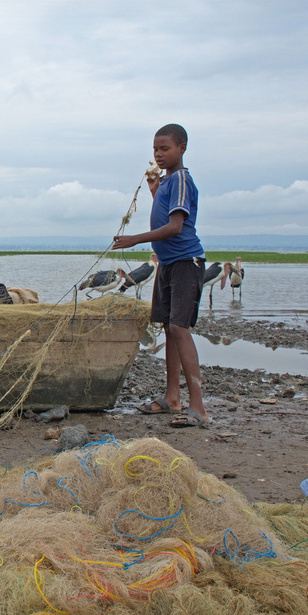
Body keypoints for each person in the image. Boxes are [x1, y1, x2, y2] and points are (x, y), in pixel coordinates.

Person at [112, 123, 208, 425]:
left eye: (165, 149)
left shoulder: (180, 179)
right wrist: (154, 188)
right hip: (168, 264)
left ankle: (199, 408)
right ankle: (172, 399)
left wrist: (134, 239)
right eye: (155, 150)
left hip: (185, 262)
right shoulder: (167, 183)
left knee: (180, 329)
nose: (159, 154)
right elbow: (163, 208)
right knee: (168, 328)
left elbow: (175, 227)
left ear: (182, 148)